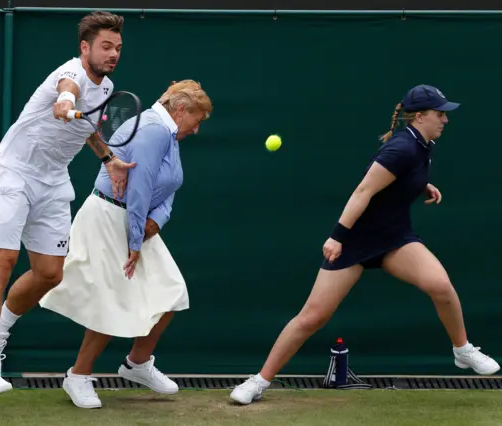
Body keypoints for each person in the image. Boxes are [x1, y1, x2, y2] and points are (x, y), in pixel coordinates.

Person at [230, 84, 500, 405]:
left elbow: (398, 179)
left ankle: (462, 350)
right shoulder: (401, 149)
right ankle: (259, 381)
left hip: (394, 239)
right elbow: (363, 192)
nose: (445, 120)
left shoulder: (423, 144)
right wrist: (337, 236)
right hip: (354, 243)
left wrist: (421, 184)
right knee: (312, 318)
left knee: (440, 285)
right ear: (420, 116)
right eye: (440, 114)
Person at [0, 11, 136, 396]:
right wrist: (63, 101)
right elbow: (67, 94)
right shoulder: (70, 74)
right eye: (106, 47)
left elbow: (88, 127)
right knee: (2, 263)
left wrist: (109, 160)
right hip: (15, 172)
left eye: (118, 48)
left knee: (50, 274)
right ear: (85, 47)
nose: (113, 54)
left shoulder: (107, 88)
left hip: (54, 180)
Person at [38, 80, 213, 409]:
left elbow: (170, 184)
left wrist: (157, 221)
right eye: (197, 120)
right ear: (180, 110)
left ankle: (137, 363)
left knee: (171, 291)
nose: (197, 128)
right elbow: (140, 188)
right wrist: (135, 240)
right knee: (112, 300)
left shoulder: (168, 133)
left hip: (132, 221)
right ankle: (78, 375)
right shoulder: (153, 130)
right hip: (109, 217)